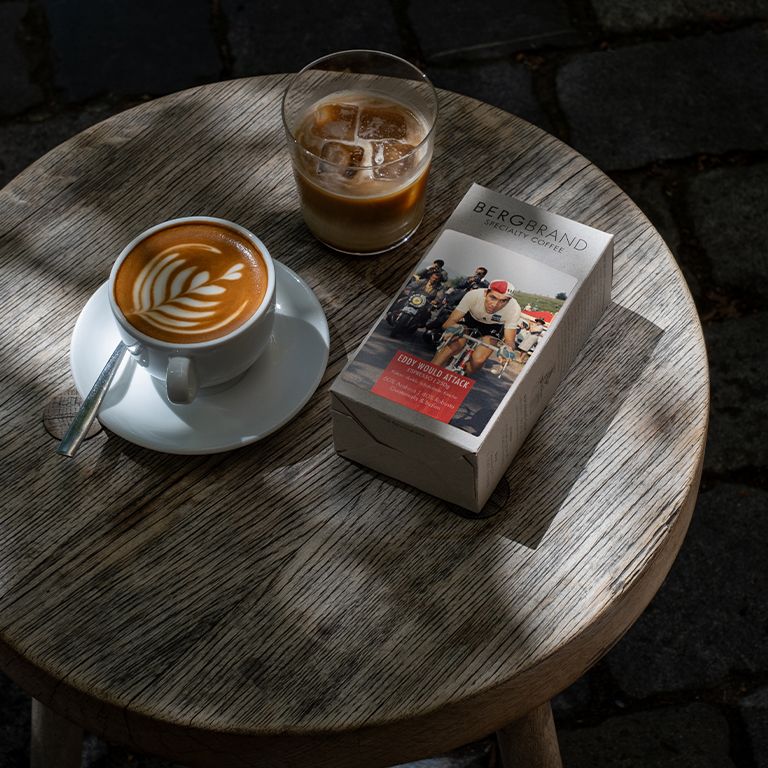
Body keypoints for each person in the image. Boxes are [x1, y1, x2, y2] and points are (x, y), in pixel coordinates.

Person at [431, 280, 522, 375]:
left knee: (478, 361)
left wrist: (508, 349)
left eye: (503, 301)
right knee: (453, 346)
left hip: (492, 327)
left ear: (509, 300)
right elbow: (449, 322)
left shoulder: (514, 308)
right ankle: (429, 372)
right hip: (471, 320)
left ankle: (462, 378)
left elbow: (509, 341)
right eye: (493, 297)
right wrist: (453, 328)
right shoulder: (473, 295)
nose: (495, 305)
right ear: (485, 293)